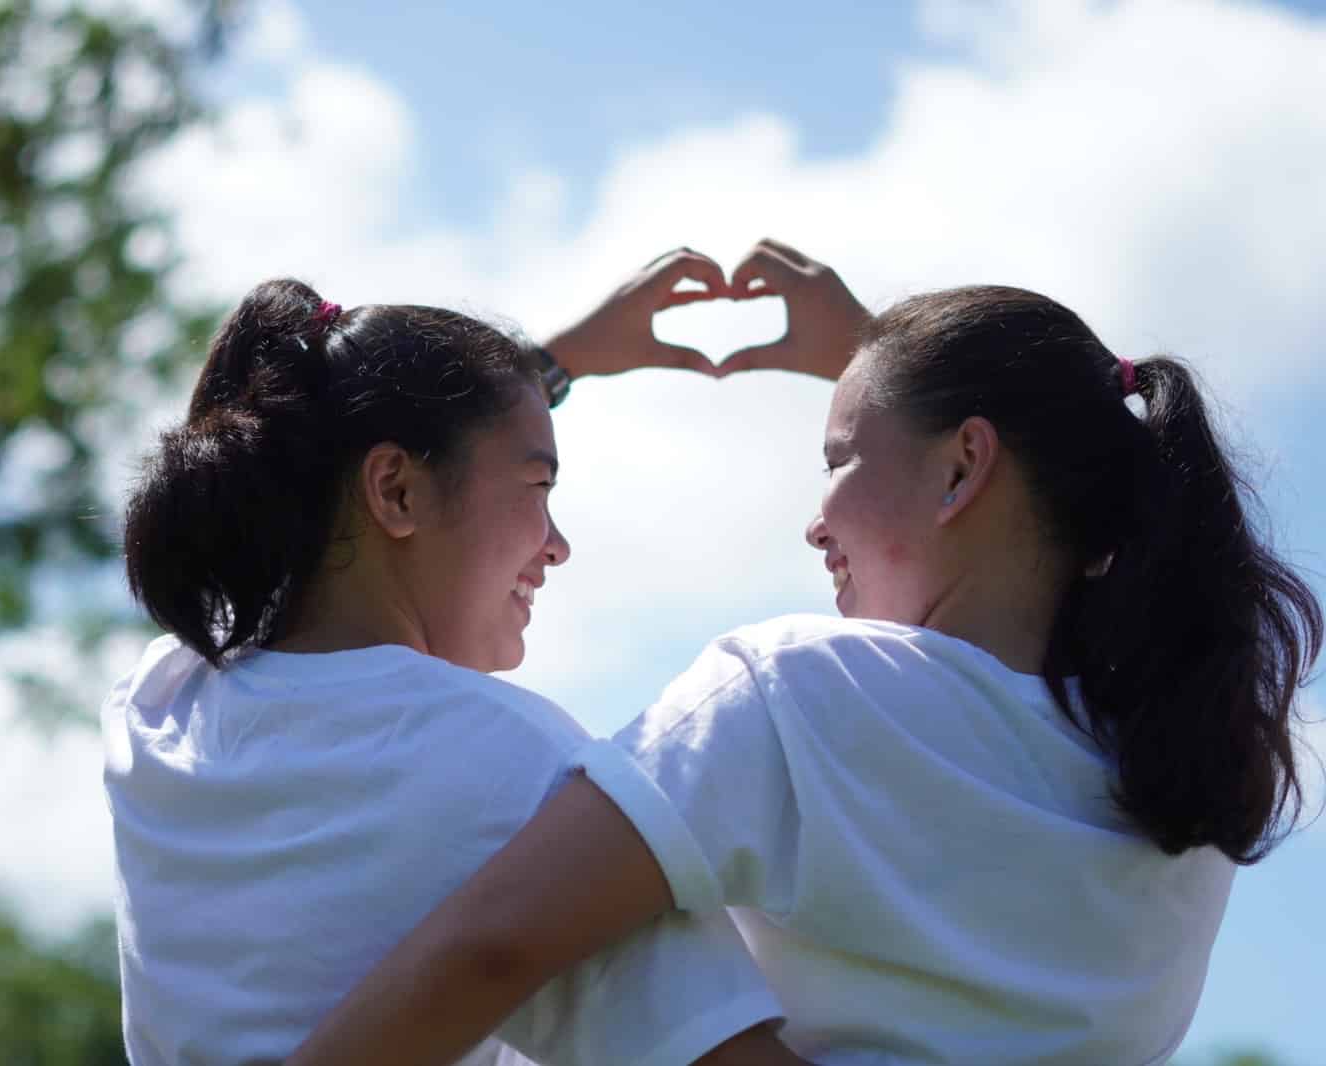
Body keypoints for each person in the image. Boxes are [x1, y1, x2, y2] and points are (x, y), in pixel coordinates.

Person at [284, 243, 1324, 1065]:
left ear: (966, 466)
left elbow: (495, 945)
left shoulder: (798, 698)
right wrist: (893, 361)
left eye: (834, 460)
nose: (814, 523)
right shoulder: (1187, 786)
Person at [101, 251, 834, 1066]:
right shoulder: (509, 762)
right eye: (537, 488)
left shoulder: (158, 705)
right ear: (397, 493)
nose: (557, 546)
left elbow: (347, 438)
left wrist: (549, 369)